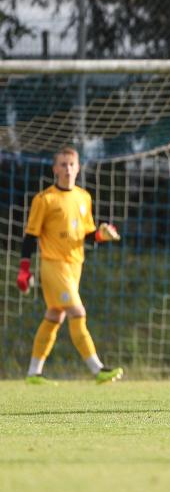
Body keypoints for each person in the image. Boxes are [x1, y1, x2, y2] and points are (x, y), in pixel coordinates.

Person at [16, 147, 124, 385]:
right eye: (62, 164)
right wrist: (24, 268)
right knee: (78, 312)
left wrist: (101, 235)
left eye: (71, 164)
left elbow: (87, 235)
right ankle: (98, 370)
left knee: (55, 315)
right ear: (55, 169)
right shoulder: (44, 199)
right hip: (54, 265)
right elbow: (30, 237)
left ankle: (34, 373)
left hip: (75, 265)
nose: (67, 169)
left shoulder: (84, 197)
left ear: (78, 167)